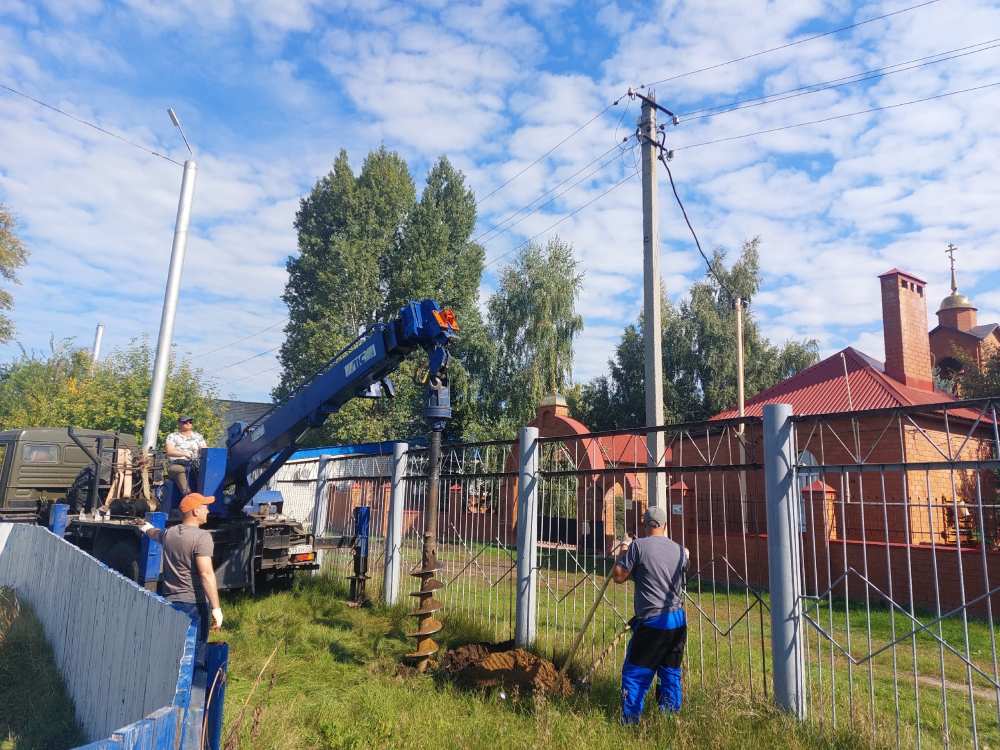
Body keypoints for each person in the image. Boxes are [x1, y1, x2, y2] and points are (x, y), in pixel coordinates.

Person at [612, 506, 689, 724]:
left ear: (645, 525)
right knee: (670, 671)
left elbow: (618, 576)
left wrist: (623, 549)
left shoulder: (638, 546)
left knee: (635, 673)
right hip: (677, 621)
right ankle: (669, 719)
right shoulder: (679, 550)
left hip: (653, 623)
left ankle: (630, 721)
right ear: (665, 525)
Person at [138, 492, 222, 654]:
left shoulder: (170, 533)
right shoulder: (202, 537)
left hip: (171, 601)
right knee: (193, 653)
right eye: (205, 507)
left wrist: (145, 527)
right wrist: (216, 608)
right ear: (195, 511)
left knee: (174, 651)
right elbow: (206, 574)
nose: (208, 511)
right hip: (194, 604)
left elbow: (155, 534)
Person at [165, 416, 207, 496]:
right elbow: (169, 451)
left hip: (194, 464)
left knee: (206, 470)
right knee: (179, 469)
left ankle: (205, 496)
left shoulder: (198, 436)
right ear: (179, 424)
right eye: (185, 422)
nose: (188, 424)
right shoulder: (173, 436)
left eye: (190, 422)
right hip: (177, 464)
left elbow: (205, 450)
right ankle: (188, 495)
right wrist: (184, 454)